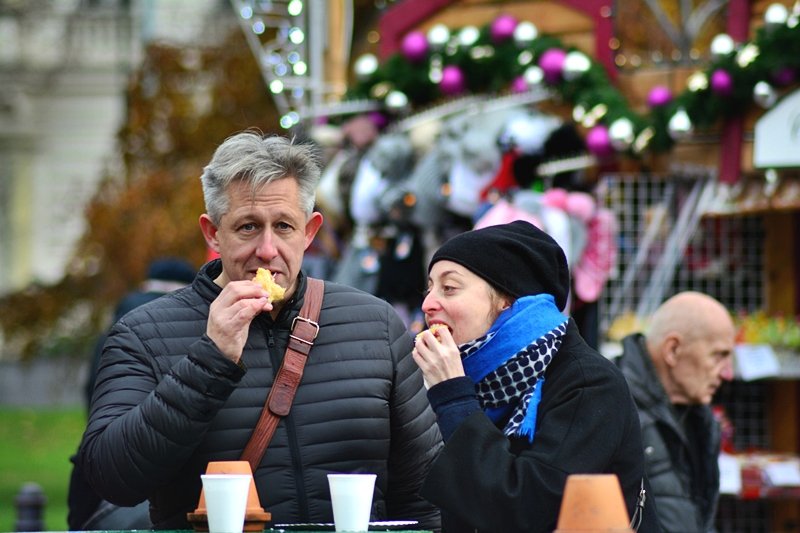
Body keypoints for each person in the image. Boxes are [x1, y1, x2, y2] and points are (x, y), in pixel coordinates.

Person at [77, 131, 443, 530]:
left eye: (284, 226)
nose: (268, 250)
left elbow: (425, 493)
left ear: (309, 231)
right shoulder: (143, 333)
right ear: (213, 233)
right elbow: (112, 478)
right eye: (248, 227)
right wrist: (210, 358)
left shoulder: (375, 324)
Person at [411, 220, 660, 533]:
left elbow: (528, 508)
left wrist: (453, 395)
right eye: (429, 288)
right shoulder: (464, 381)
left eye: (449, 288)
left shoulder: (589, 383)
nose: (427, 304)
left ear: (509, 301)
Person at [67, 257, 196, 531]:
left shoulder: (116, 323)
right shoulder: (183, 327)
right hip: (157, 480)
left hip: (94, 473)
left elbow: (92, 391)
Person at [616, 291, 735, 533]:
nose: (727, 373)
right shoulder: (612, 409)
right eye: (718, 356)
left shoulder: (701, 419)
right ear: (673, 350)